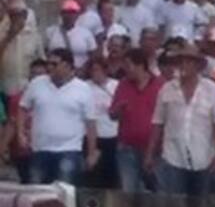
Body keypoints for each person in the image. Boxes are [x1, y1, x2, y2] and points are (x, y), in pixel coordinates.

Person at [145, 44, 215, 198]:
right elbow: (157, 123)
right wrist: (150, 153)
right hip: (173, 156)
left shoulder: (212, 89)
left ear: (197, 65)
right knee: (173, 205)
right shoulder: (166, 89)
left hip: (203, 156)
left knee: (200, 206)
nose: (184, 65)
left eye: (188, 62)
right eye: (180, 62)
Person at [17, 49, 100, 185]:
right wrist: (21, 133)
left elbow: (91, 123)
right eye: (48, 63)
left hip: (69, 150)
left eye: (54, 64)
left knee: (64, 193)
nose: (50, 67)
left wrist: (91, 153)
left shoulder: (83, 88)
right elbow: (22, 108)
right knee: (36, 193)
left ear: (67, 65)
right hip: (40, 149)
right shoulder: (37, 83)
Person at [109, 48, 163, 193]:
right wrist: (118, 110)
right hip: (126, 148)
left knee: (157, 190)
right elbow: (112, 115)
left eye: (128, 64)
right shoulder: (123, 85)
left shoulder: (160, 86)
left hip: (154, 149)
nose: (125, 69)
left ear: (140, 65)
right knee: (128, 190)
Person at [85, 59, 119, 188]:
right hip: (92, 134)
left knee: (110, 173)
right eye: (92, 70)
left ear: (105, 70)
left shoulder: (116, 85)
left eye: (97, 70)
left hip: (112, 134)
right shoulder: (85, 86)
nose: (95, 73)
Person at [45, 0, 98, 70]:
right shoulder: (50, 31)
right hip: (56, 72)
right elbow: (46, 53)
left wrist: (83, 69)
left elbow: (93, 55)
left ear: (77, 15)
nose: (69, 15)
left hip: (80, 73)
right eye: (66, 12)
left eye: (72, 13)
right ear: (61, 14)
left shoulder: (86, 33)